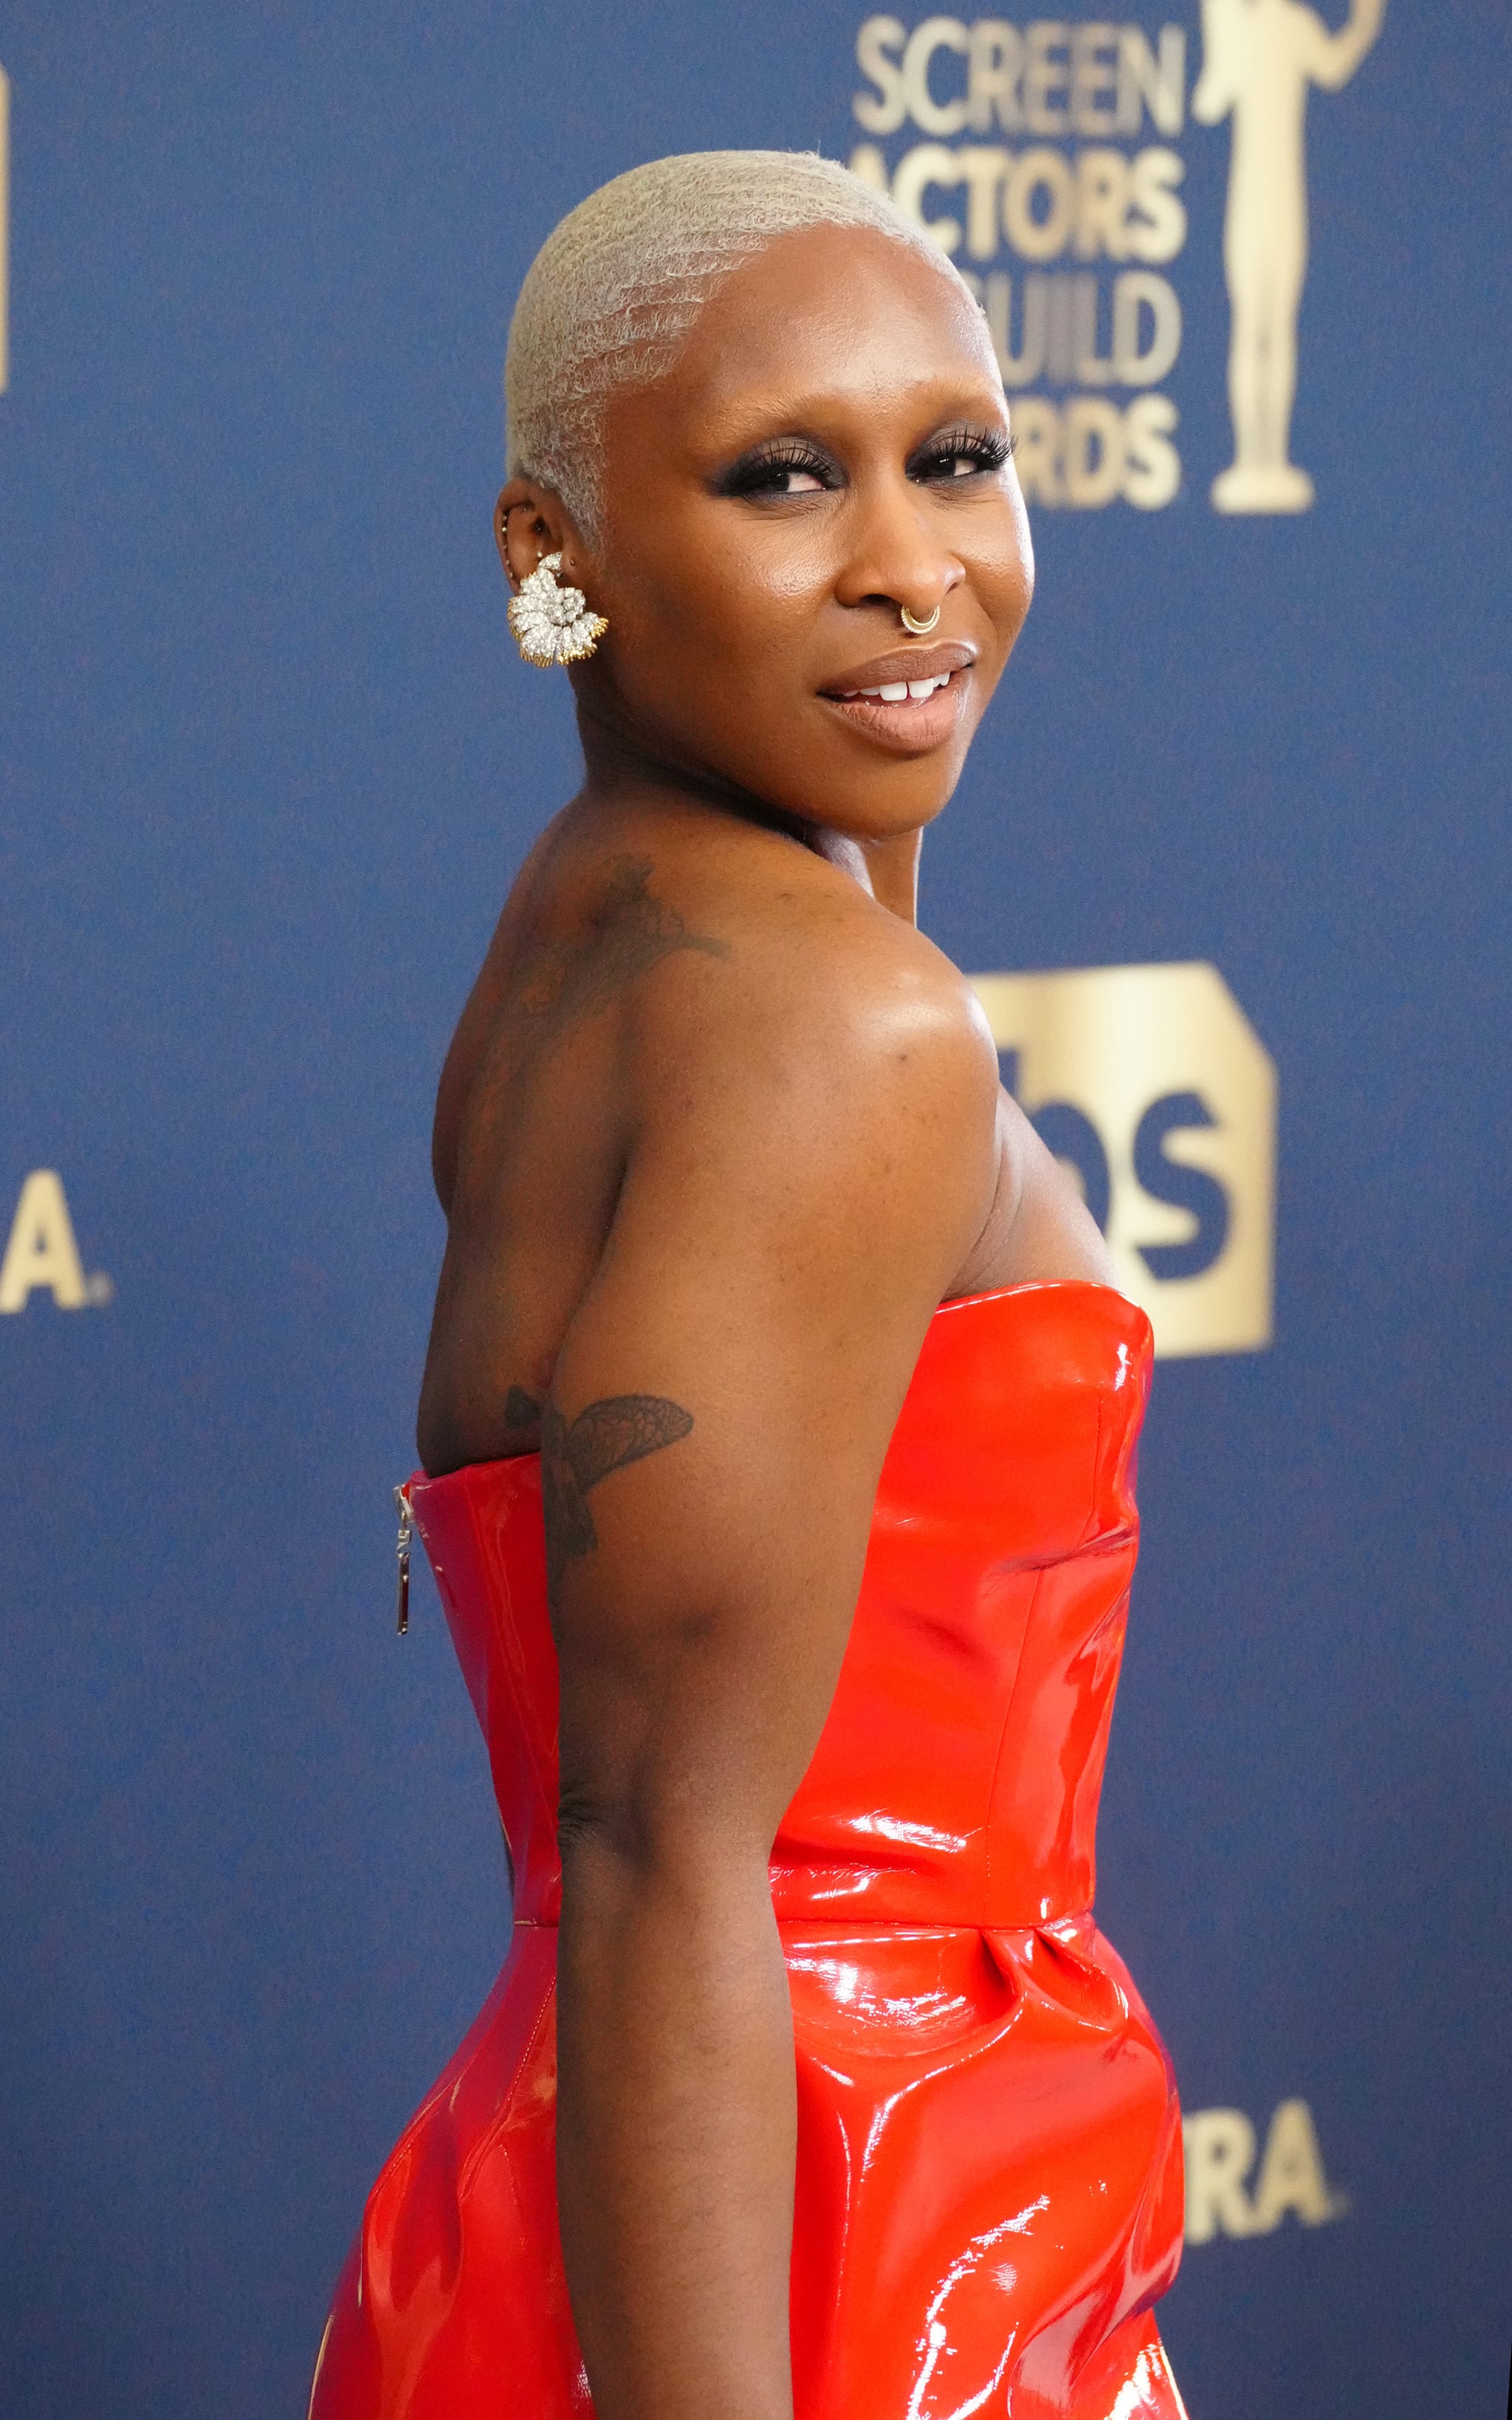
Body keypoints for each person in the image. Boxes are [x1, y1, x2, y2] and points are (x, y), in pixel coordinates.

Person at [309, 150, 1186, 2420]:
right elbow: (662, 1849)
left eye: (958, 461)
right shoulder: (839, 1033)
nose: (912, 569)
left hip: (581, 2210)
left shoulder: (590, 925)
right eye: (783, 479)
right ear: (555, 557)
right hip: (832, 2260)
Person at [1195, 0, 1385, 511]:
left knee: (1275, 326)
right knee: (1253, 325)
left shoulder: (1294, 27)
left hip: (1284, 203)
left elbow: (1333, 66)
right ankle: (1251, 459)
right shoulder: (1244, 29)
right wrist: (1219, 31)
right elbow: (1210, 101)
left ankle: (1270, 459)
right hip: (1251, 203)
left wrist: (1364, 25)